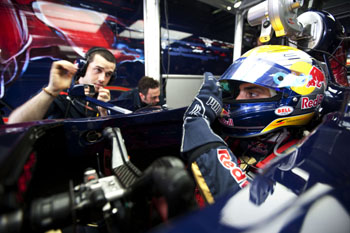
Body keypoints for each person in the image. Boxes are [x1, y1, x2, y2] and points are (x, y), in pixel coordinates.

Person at [181, 45, 327, 205]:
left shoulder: (298, 160)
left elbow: (241, 208)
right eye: (238, 92)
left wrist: (197, 126)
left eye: (252, 93)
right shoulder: (237, 132)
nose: (237, 100)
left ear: (292, 98)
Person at [7, 47, 116, 123]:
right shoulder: (60, 94)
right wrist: (52, 90)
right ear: (82, 68)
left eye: (108, 74)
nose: (102, 79)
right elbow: (16, 123)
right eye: (98, 70)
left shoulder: (103, 102)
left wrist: (104, 112)